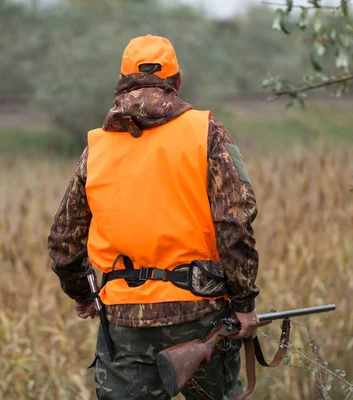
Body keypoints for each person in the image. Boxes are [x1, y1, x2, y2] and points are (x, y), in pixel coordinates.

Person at [48, 35, 259, 400]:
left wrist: (83, 294)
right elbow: (234, 223)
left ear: (122, 82)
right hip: (200, 314)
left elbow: (64, 241)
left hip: (124, 321)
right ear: (177, 82)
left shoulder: (97, 147)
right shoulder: (205, 131)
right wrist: (244, 304)